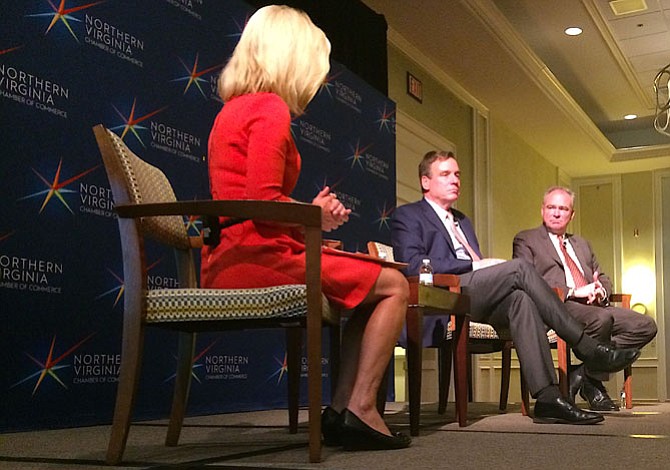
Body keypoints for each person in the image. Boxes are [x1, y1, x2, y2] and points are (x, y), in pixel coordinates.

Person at [200, 5, 410, 451]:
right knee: (394, 284)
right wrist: (314, 216)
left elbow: (250, 202)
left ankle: (340, 412)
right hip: (258, 261)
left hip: (231, 256)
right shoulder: (270, 108)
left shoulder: (234, 109)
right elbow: (261, 203)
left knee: (367, 289)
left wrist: (312, 214)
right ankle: (361, 409)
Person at [391, 150, 641, 424]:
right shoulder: (408, 216)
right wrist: (477, 266)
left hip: (474, 296)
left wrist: (483, 268)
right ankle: (586, 346)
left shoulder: (462, 220)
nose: (455, 180)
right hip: (444, 294)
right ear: (425, 182)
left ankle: (547, 398)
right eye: (446, 174)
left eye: (458, 174)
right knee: (519, 268)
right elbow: (414, 264)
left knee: (521, 298)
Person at [513, 186, 656, 411]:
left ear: (572, 214)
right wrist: (572, 290)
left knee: (645, 325)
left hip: (594, 305)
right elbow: (525, 280)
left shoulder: (582, 244)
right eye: (551, 207)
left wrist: (601, 288)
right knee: (601, 320)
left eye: (563, 208)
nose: (557, 213)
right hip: (558, 306)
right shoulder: (526, 239)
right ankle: (593, 384)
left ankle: (583, 374)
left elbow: (603, 275)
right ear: (542, 210)